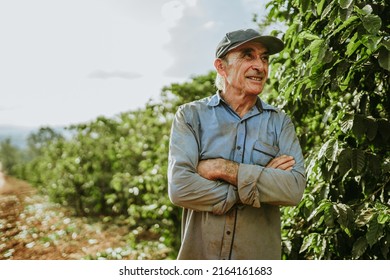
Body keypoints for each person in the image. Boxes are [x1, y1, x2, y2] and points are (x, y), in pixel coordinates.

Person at [167, 28, 306, 260]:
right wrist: (258, 182)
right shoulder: (191, 116)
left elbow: (293, 190)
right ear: (221, 67)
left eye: (264, 58)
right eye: (248, 55)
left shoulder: (280, 123)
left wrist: (222, 168)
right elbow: (180, 189)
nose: (260, 66)